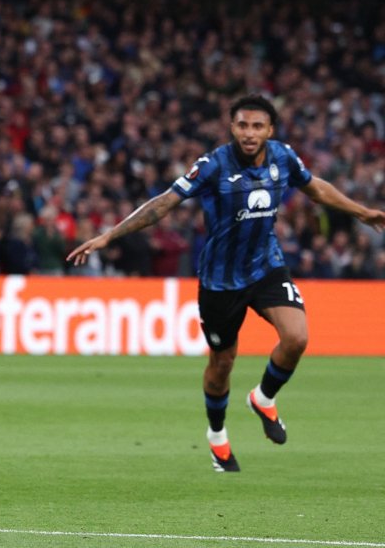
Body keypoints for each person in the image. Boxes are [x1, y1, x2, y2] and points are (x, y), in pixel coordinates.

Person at [67, 94, 385, 473]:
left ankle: (263, 398)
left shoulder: (283, 156)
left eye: (257, 126)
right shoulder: (214, 165)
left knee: (297, 337)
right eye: (242, 125)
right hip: (220, 282)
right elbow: (164, 203)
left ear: (270, 129)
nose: (249, 133)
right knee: (222, 363)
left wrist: (362, 212)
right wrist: (109, 236)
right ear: (232, 127)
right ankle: (217, 437)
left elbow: (315, 186)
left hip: (266, 267)